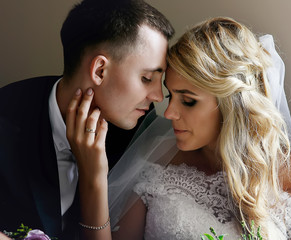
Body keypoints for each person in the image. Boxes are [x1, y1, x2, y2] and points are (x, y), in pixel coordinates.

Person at [66, 17, 291, 239]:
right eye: (171, 96)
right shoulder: (159, 163)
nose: (169, 113)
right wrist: (94, 177)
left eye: (188, 101)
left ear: (233, 106)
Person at [0, 0, 174, 239]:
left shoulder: (143, 137)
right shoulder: (6, 116)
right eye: (146, 78)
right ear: (100, 70)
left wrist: (94, 177)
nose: (158, 96)